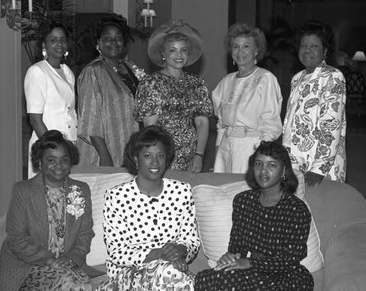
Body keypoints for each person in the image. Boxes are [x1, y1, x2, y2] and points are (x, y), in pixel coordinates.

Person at [194, 141, 314, 291]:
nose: (263, 171)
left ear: (284, 170)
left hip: (286, 277)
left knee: (232, 282)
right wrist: (231, 257)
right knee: (205, 278)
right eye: (258, 164)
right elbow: (237, 246)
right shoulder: (243, 201)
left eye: (272, 165)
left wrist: (249, 263)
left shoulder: (296, 209)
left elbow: (291, 259)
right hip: (252, 272)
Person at [93, 126, 199, 291]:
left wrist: (179, 250)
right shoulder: (117, 197)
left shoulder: (182, 191)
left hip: (171, 278)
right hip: (125, 281)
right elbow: (117, 252)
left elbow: (191, 240)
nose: (155, 162)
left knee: (184, 287)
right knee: (180, 279)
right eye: (147, 155)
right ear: (136, 159)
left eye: (160, 155)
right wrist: (162, 254)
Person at [0, 130, 94, 291]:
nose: (59, 165)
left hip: (68, 266)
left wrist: (71, 259)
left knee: (79, 288)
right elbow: (16, 237)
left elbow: (85, 234)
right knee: (68, 287)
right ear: (39, 163)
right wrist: (49, 260)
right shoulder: (23, 191)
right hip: (30, 266)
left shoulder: (81, 190)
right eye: (51, 160)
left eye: (64, 159)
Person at [135, 20, 213, 172]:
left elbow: (202, 123)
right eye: (173, 50)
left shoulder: (197, 83)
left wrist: (199, 155)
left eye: (183, 50)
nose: (179, 55)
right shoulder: (152, 82)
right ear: (163, 54)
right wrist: (158, 158)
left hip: (191, 157)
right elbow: (150, 127)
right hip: (162, 156)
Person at [282, 21, 346, 198]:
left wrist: (320, 167)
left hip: (319, 166)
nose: (307, 50)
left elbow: (331, 124)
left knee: (322, 214)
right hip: (295, 160)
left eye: (314, 46)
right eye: (303, 46)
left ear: (325, 51)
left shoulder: (332, 76)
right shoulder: (297, 78)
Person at [212, 23, 283, 174]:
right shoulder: (226, 82)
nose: (240, 52)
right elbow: (221, 126)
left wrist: (261, 158)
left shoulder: (265, 79)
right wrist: (217, 156)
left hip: (251, 149)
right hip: (225, 150)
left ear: (256, 50)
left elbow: (270, 125)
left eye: (246, 46)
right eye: (235, 46)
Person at [77, 14, 145, 167]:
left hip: (134, 147)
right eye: (107, 38)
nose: (114, 42)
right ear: (98, 43)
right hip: (107, 152)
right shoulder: (93, 71)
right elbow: (90, 120)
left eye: (118, 38)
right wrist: (105, 156)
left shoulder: (129, 68)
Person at [24, 22, 77, 179]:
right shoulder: (37, 72)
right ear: (44, 45)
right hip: (47, 146)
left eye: (62, 39)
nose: (59, 44)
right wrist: (53, 151)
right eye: (53, 40)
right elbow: (35, 120)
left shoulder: (67, 72)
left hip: (68, 144)